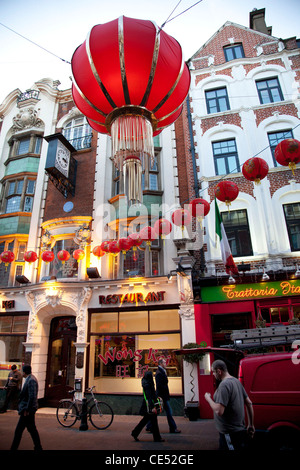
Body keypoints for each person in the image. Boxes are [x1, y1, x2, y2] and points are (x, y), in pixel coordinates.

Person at [204, 359, 255, 451]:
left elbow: (219, 410)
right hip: (238, 430)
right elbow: (249, 403)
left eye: (214, 372)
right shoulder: (236, 381)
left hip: (229, 432)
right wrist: (251, 424)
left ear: (219, 371)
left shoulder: (224, 385)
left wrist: (208, 399)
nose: (213, 374)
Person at [10, 364, 43, 451]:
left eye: (22, 371)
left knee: (19, 430)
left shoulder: (31, 380)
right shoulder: (30, 379)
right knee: (32, 429)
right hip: (28, 409)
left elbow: (32, 396)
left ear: (24, 372)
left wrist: (27, 409)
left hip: (27, 410)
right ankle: (38, 447)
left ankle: (14, 448)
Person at [131, 370, 164, 442]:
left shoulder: (146, 383)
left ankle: (135, 433)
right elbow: (149, 397)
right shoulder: (148, 385)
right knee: (153, 422)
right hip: (149, 406)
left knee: (145, 421)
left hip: (147, 406)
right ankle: (157, 438)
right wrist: (152, 407)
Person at [155, 358, 181, 433]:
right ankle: (173, 428)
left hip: (163, 396)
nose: (166, 363)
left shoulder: (162, 371)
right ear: (160, 364)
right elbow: (160, 385)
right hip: (163, 396)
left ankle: (149, 425)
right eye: (164, 362)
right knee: (169, 412)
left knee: (158, 411)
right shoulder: (159, 372)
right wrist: (162, 396)